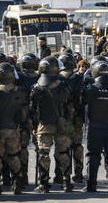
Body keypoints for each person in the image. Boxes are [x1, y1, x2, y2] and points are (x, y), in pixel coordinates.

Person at [30, 56, 73, 193]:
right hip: (61, 124)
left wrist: (34, 126)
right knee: (63, 153)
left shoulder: (36, 88)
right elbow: (71, 107)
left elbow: (32, 110)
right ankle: (66, 183)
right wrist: (67, 120)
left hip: (44, 125)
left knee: (43, 153)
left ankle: (43, 183)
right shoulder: (64, 86)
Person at [83, 61, 108, 192]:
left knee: (93, 156)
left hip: (95, 126)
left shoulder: (91, 89)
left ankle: (91, 184)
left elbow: (82, 103)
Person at [0, 62, 26, 195]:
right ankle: (17, 183)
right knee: (14, 156)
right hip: (12, 128)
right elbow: (22, 115)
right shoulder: (19, 91)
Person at [58, 53, 84, 183]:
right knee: (77, 146)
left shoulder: (57, 79)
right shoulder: (79, 78)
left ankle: (62, 175)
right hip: (77, 117)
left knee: (63, 148)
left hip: (62, 118)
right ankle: (78, 174)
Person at [16, 54, 40, 186]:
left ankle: (23, 175)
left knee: (23, 147)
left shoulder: (19, 77)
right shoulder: (39, 77)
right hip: (36, 115)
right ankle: (43, 177)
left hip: (24, 115)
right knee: (40, 148)